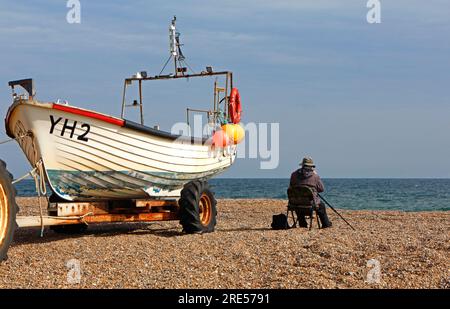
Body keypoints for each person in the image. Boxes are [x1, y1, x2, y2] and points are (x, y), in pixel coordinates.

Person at [289, 157, 332, 228]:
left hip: (295, 204)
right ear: (311, 167)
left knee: (299, 199)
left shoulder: (293, 175)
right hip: (310, 204)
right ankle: (326, 224)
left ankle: (302, 223)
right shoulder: (315, 176)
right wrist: (316, 175)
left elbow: (291, 187)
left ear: (302, 165)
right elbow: (321, 189)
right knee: (321, 205)